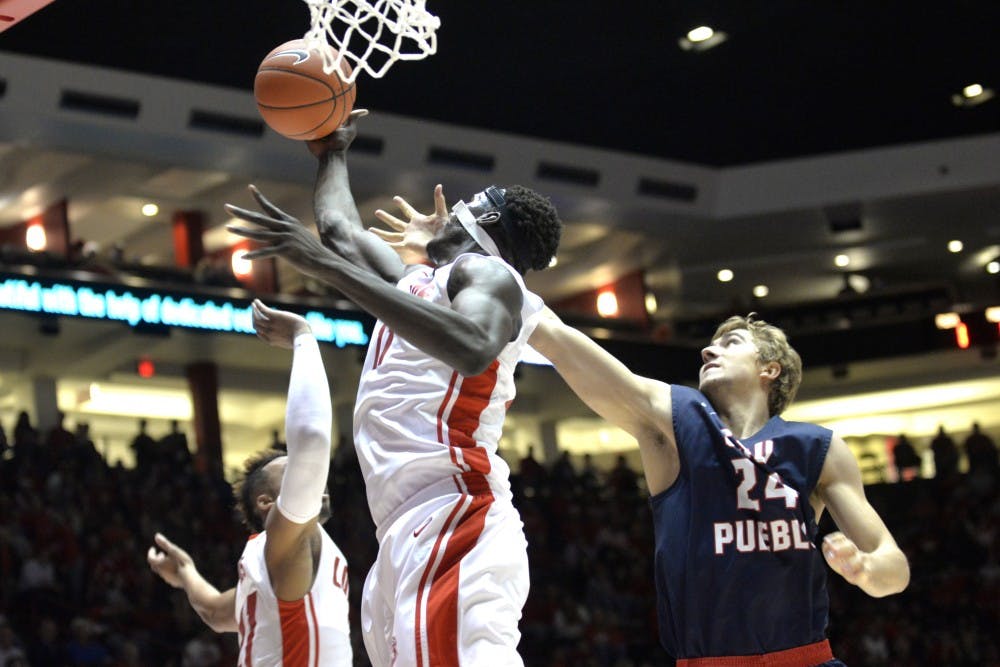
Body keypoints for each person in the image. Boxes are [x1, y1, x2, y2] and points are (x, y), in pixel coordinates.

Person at [225, 109, 562, 666]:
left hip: (455, 510)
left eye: (471, 200)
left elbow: (474, 345)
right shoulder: (417, 281)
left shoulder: (489, 276)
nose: (455, 204)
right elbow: (339, 231)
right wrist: (333, 151)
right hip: (400, 528)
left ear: (490, 220)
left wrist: (328, 270)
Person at [526, 310, 910, 665]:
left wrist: (863, 568)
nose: (709, 349)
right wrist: (512, 293)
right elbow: (565, 345)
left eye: (731, 343)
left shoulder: (815, 448)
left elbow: (894, 569)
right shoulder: (676, 425)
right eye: (712, 344)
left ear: (770, 369)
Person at [147, 299, 351, 666]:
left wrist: (185, 573)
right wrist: (304, 337)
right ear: (267, 504)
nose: (311, 476)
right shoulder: (285, 542)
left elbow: (212, 611)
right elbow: (313, 442)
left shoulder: (258, 571)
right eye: (292, 473)